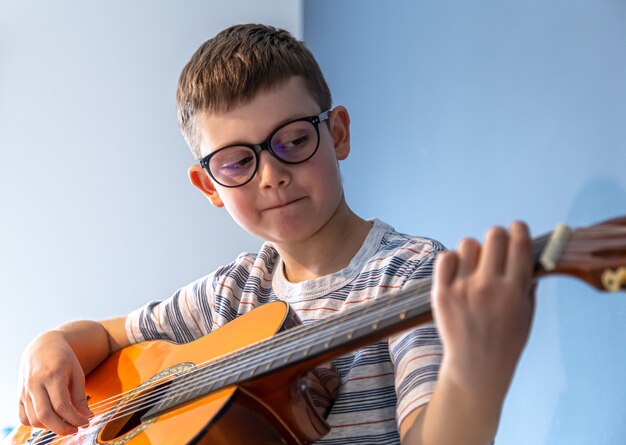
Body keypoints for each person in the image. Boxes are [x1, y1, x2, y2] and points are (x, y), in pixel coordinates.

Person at [18, 24, 535, 445]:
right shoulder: (231, 292)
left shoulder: (409, 276)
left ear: (337, 134)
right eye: (239, 160)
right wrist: (50, 344)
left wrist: (475, 373)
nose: (271, 175)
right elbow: (108, 336)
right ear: (208, 185)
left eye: (292, 141)